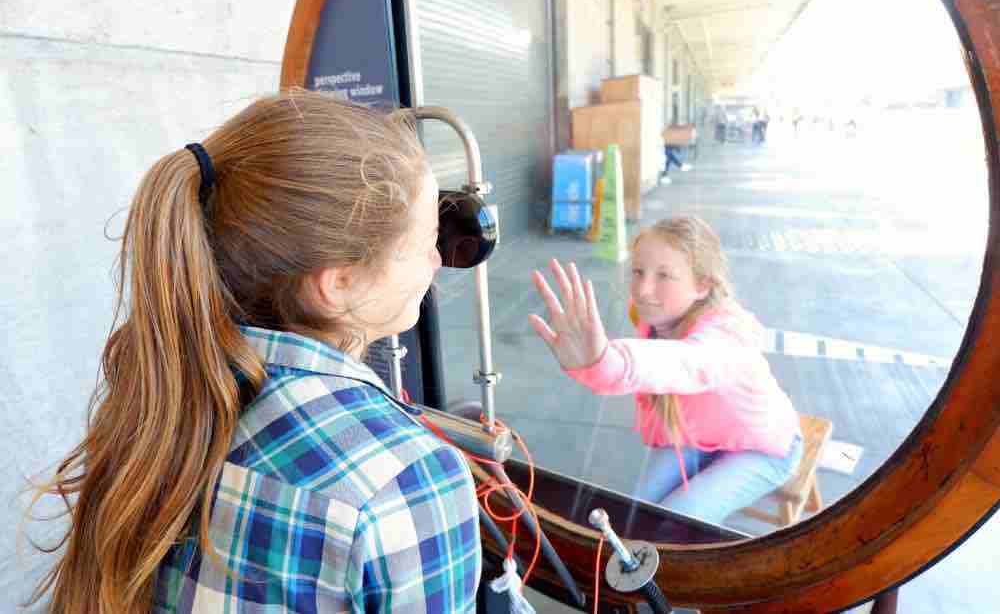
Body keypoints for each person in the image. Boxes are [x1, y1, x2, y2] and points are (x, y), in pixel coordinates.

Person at [26, 90, 481, 613]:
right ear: (338, 283)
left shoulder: (157, 396)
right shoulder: (406, 478)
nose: (435, 259)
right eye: (423, 239)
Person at [528, 216, 802, 526]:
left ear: (703, 285)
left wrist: (606, 362)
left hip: (763, 447)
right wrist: (592, 365)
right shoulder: (658, 318)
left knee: (676, 524)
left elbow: (689, 363)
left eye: (664, 276)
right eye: (638, 272)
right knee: (635, 513)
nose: (643, 290)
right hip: (699, 437)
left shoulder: (729, 331)